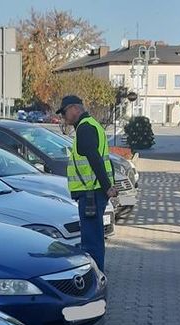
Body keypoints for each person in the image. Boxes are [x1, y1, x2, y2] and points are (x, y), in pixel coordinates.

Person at [56, 95, 117, 272]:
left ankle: (95, 277)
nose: (64, 117)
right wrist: (107, 186)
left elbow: (95, 159)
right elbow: (103, 159)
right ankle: (98, 273)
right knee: (95, 237)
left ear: (75, 108)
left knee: (91, 240)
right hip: (94, 190)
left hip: (91, 192)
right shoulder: (92, 125)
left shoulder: (85, 128)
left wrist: (107, 186)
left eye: (65, 112)